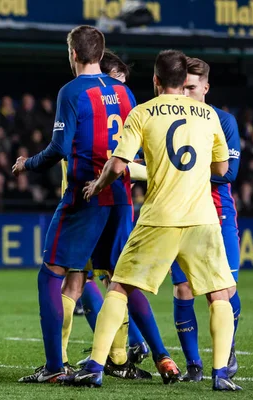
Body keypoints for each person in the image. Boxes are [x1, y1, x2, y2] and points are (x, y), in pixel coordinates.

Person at [65, 50, 240, 391]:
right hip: (202, 219)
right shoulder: (209, 115)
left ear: (156, 81)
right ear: (182, 81)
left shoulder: (143, 113)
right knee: (219, 294)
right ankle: (221, 375)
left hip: (160, 217)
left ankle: (96, 367)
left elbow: (117, 165)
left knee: (119, 287)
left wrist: (98, 184)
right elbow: (222, 170)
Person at [13, 26, 148, 384]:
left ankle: (56, 366)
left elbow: (59, 148)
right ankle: (119, 358)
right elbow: (133, 148)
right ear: (101, 54)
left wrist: (27, 164)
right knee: (115, 280)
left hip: (85, 194)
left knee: (52, 274)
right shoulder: (125, 91)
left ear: (73, 53)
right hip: (121, 196)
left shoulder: (71, 92)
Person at [72, 50, 174, 373]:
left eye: (122, 82)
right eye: (117, 79)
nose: (118, 88)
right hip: (105, 197)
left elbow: (119, 164)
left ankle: (143, 351)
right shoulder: (115, 100)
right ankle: (124, 354)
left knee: (108, 279)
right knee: (99, 278)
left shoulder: (84, 98)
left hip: (100, 198)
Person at [171, 57, 242, 382]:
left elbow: (231, 173)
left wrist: (183, 171)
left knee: (225, 290)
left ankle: (226, 354)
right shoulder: (171, 120)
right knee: (183, 288)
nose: (186, 93)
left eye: (192, 87)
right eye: (182, 86)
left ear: (206, 87)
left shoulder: (223, 121)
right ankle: (195, 365)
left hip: (217, 212)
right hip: (178, 213)